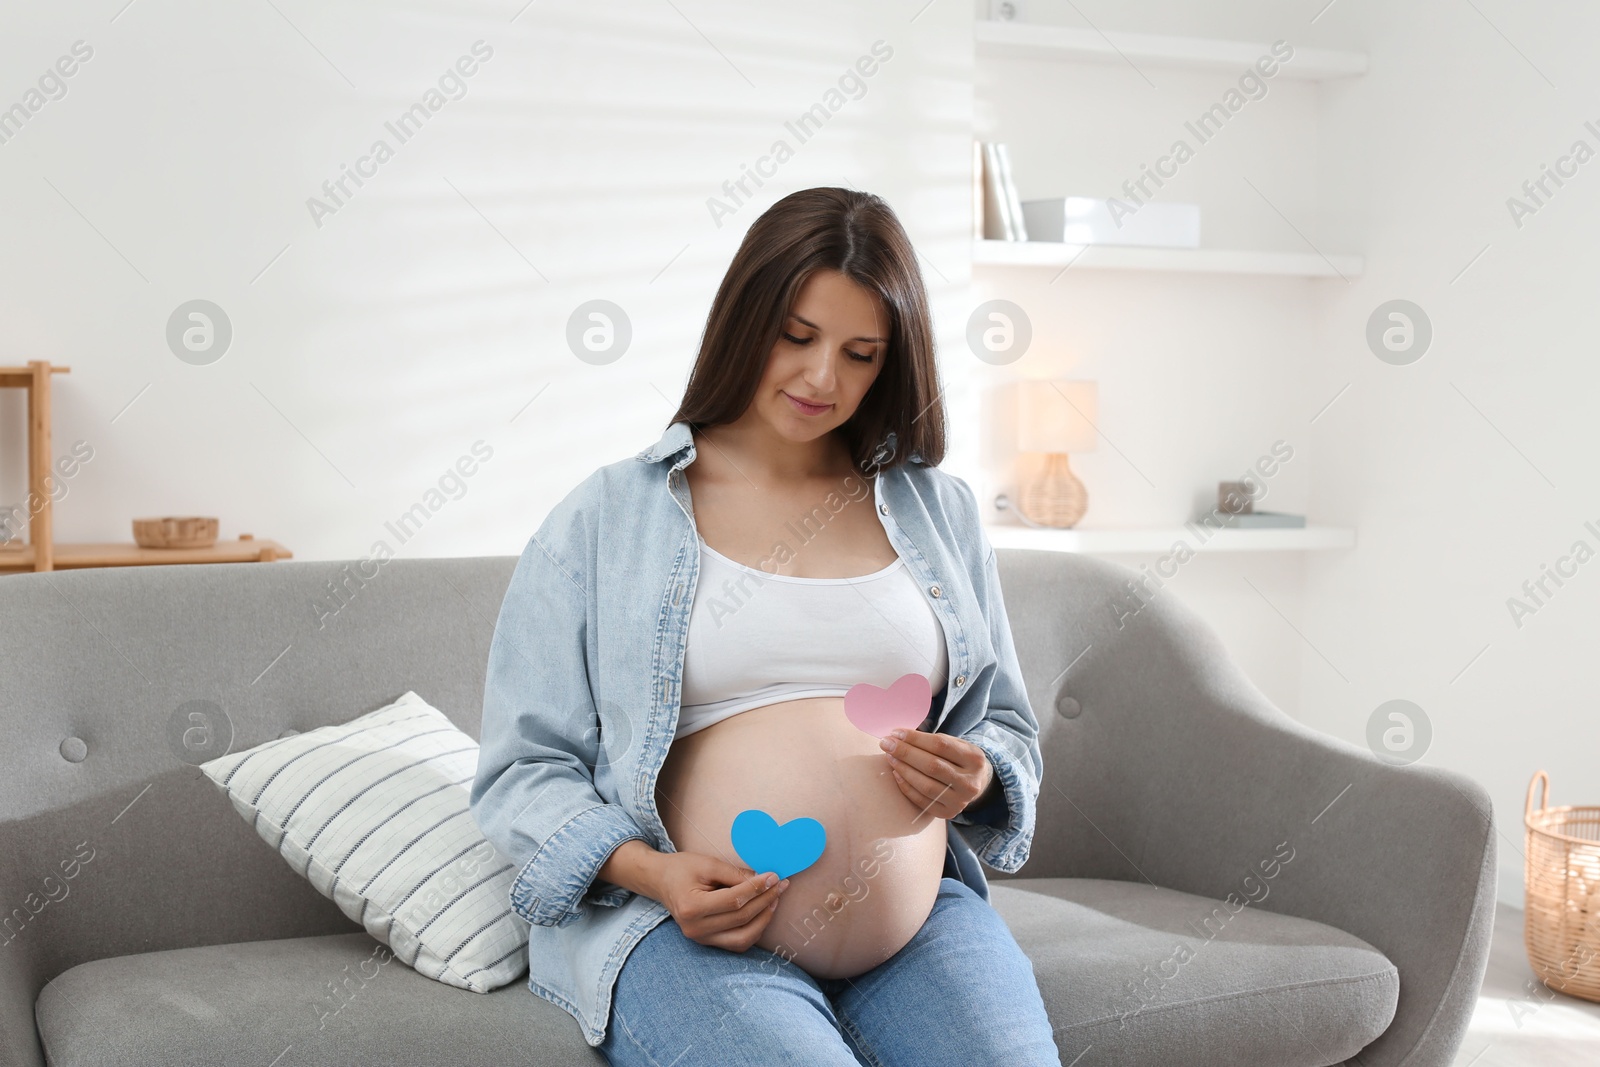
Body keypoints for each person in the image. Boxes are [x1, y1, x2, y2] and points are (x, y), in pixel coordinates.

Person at [471, 187, 1060, 1065]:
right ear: (745, 318)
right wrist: (657, 874)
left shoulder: (941, 513)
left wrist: (978, 773)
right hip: (681, 930)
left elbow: (1004, 726)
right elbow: (523, 770)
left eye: (861, 354)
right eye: (797, 336)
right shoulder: (608, 518)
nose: (824, 379)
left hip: (915, 922)